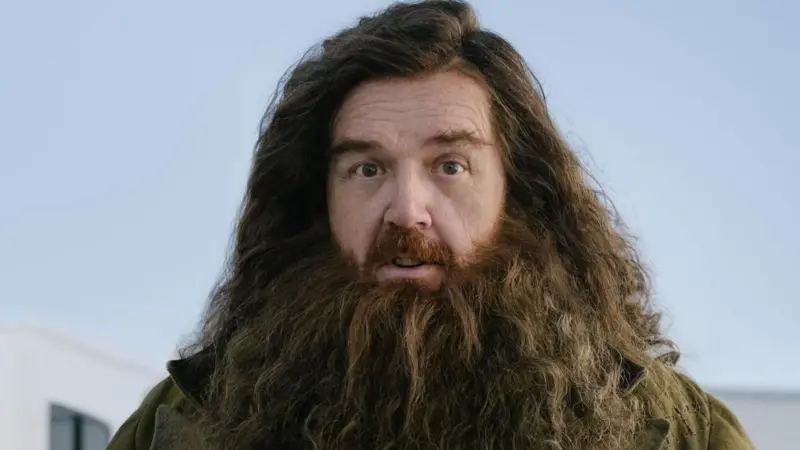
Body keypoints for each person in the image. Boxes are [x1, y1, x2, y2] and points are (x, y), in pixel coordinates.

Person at [107, 1, 754, 449]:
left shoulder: (682, 431)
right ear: (317, 200)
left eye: (450, 165)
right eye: (367, 169)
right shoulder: (178, 424)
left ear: (518, 194)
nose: (407, 209)